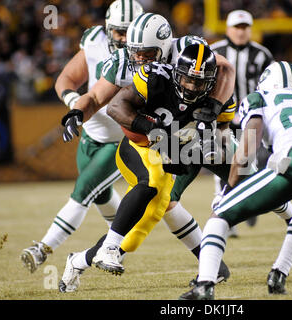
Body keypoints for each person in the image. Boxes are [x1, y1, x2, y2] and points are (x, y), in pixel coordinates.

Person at [57, 22, 235, 291]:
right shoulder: (137, 69)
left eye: (147, 53)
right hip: (140, 140)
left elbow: (225, 70)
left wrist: (212, 111)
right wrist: (76, 112)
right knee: (151, 192)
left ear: (165, 48)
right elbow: (98, 99)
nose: (139, 58)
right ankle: (106, 248)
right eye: (135, 52)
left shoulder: (190, 54)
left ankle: (81, 259)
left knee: (147, 222)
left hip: (177, 143)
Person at [179, 61, 292, 300]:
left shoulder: (260, 98)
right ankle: (278, 274)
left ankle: (205, 285)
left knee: (220, 214)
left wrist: (229, 189)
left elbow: (245, 153)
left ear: (267, 82)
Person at [20, 0, 144, 273]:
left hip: (120, 140)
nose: (123, 38)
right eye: (118, 31)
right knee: (100, 195)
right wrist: (75, 104)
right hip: (90, 135)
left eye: (129, 31)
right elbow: (65, 78)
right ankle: (118, 244)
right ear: (108, 28)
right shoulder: (94, 40)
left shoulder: (145, 53)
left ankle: (42, 249)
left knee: (83, 192)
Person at [210, 10, 275, 235]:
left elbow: (271, 85)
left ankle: (248, 202)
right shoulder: (215, 51)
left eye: (245, 27)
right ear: (228, 29)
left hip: (252, 117)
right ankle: (228, 216)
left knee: (251, 163)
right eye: (237, 27)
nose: (241, 31)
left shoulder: (261, 54)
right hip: (222, 117)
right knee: (223, 162)